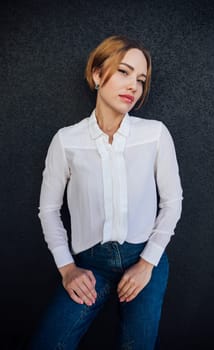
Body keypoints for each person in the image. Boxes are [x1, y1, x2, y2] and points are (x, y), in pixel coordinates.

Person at [29, 35, 183, 350]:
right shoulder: (66, 141)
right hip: (90, 265)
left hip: (143, 261)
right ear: (98, 75)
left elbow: (172, 202)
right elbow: (48, 209)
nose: (134, 86)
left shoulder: (154, 135)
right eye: (124, 72)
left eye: (140, 79)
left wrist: (146, 264)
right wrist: (67, 268)